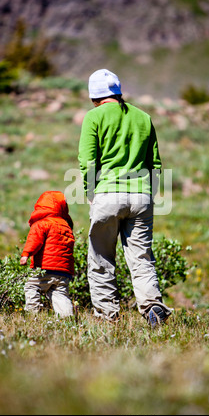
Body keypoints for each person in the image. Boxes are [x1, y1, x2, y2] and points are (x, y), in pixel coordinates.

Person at [78, 68, 171, 328]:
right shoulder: (144, 117)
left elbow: (87, 161)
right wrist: (148, 195)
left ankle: (108, 318)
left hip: (107, 194)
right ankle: (153, 306)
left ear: (94, 97)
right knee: (142, 258)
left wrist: (90, 193)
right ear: (118, 92)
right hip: (141, 195)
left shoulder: (93, 117)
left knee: (100, 258)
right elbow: (155, 163)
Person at [20, 190, 75, 318]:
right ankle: (67, 318)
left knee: (32, 286)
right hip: (64, 271)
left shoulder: (42, 223)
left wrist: (26, 254)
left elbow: (34, 241)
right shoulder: (66, 225)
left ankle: (33, 314)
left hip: (45, 267)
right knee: (60, 294)